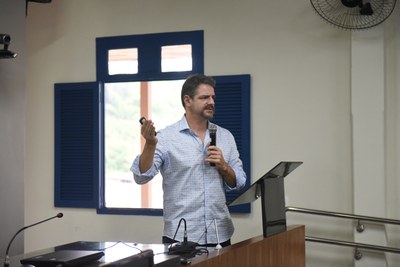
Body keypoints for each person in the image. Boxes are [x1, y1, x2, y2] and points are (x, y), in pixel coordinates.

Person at [130, 74, 247, 247]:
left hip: (219, 234)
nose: (212, 102)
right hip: (180, 237)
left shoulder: (225, 136)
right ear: (188, 100)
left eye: (213, 97)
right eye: (204, 97)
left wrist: (224, 166)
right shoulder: (166, 138)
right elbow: (141, 177)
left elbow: (240, 181)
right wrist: (150, 144)